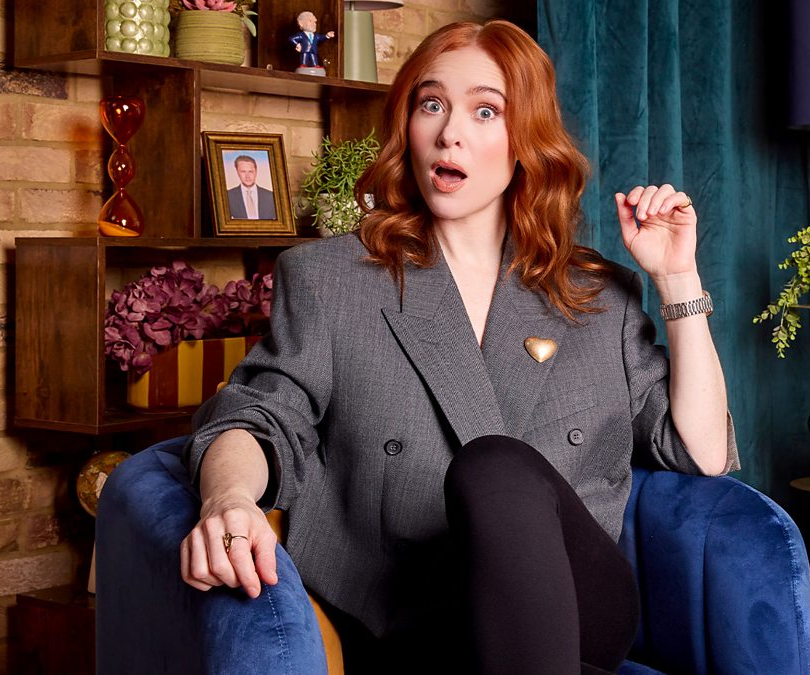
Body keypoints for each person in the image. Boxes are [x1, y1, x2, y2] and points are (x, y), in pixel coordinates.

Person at [181, 19, 735, 674]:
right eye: (432, 104)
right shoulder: (331, 281)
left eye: (485, 111)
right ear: (408, 124)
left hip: (580, 605)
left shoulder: (599, 295)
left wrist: (677, 277)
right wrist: (227, 499)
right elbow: (258, 417)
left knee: (494, 466)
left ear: (526, 138)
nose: (450, 133)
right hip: (413, 618)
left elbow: (702, 452)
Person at [226, 155, 277, 220]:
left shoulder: (271, 196)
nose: (247, 176)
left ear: (256, 172)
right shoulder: (228, 196)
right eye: (243, 171)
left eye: (250, 171)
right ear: (237, 172)